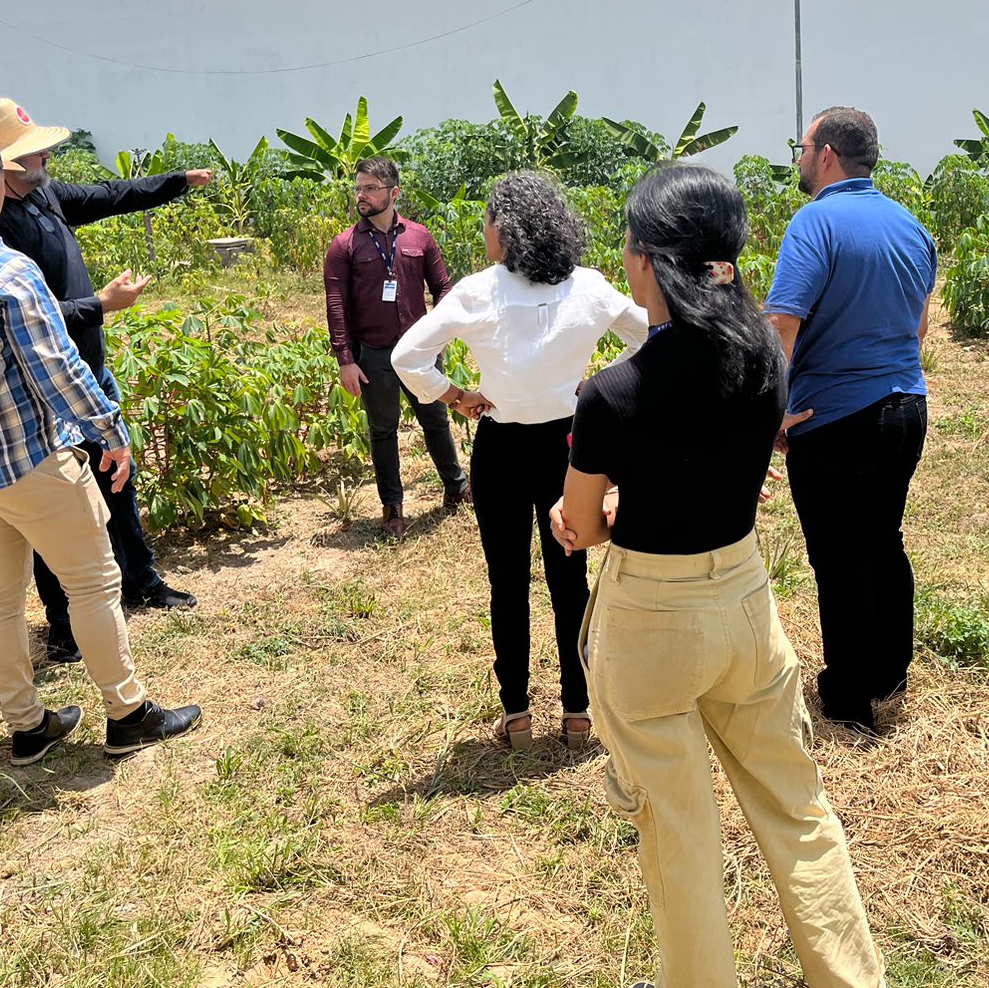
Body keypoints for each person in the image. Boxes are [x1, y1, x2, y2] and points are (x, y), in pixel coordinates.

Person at [550, 164, 886, 988]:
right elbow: (725, 473)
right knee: (796, 809)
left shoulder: (611, 393)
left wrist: (594, 519)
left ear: (642, 258)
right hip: (744, 603)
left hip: (651, 619)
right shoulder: (764, 361)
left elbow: (581, 525)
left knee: (679, 832)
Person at [0, 128, 201, 765]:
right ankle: (127, 713)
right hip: (27, 457)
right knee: (96, 582)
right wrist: (110, 432)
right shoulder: (3, 267)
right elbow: (59, 371)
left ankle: (27, 727)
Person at [392, 172, 647, 749]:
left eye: (488, 222)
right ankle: (578, 711)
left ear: (504, 231)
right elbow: (649, 333)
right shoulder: (589, 286)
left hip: (501, 447)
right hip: (570, 449)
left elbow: (408, 355)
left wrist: (454, 395)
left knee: (507, 582)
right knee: (570, 576)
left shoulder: (479, 291)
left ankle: (516, 713)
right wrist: (602, 385)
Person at [0, 97, 207, 666]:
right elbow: (28, 322)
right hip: (43, 385)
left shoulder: (43, 193)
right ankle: (63, 625)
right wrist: (102, 304)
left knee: (118, 478)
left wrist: (176, 182)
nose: (44, 154)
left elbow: (109, 196)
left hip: (87, 370)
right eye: (30, 150)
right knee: (55, 506)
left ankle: (141, 581)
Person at [765, 106, 936, 732]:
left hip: (836, 416)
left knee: (839, 556)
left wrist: (772, 411)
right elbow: (917, 327)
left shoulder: (815, 223)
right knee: (883, 540)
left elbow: (783, 323)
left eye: (803, 146)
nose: (799, 157)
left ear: (828, 153)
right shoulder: (910, 227)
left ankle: (849, 698)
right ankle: (890, 675)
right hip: (905, 408)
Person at [324, 155, 471, 538]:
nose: (362, 195)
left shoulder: (418, 237)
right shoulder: (344, 246)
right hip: (372, 354)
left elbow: (443, 288)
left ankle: (455, 488)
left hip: (419, 352)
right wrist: (345, 359)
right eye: (358, 188)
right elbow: (336, 304)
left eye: (370, 188)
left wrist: (439, 336)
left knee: (435, 420)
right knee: (383, 430)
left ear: (394, 192)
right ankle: (393, 508)